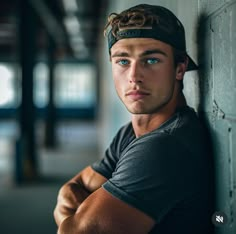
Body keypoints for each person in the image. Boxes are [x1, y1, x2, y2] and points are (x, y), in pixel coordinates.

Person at [54, 4, 214, 234]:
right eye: (123, 61)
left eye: (151, 60)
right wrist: (73, 215)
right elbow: (72, 188)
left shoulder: (164, 146)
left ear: (180, 68)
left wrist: (74, 217)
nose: (134, 77)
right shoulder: (129, 134)